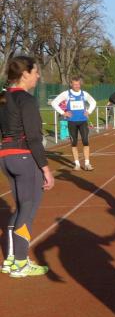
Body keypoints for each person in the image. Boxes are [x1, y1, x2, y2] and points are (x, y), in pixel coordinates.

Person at [0, 56, 55, 277]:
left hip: (5, 157)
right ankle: (21, 263)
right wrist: (46, 169)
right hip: (24, 158)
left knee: (20, 208)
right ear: (25, 74)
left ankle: (11, 259)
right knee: (28, 210)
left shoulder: (3, 98)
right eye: (35, 72)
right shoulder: (26, 100)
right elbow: (33, 137)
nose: (38, 76)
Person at [50, 77, 97, 171]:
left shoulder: (84, 94)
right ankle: (77, 164)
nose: (77, 86)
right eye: (75, 84)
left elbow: (93, 102)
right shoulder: (66, 94)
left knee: (85, 141)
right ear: (71, 84)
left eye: (78, 84)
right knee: (74, 143)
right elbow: (54, 103)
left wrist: (89, 111)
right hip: (72, 122)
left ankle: (87, 163)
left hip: (83, 121)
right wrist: (63, 113)